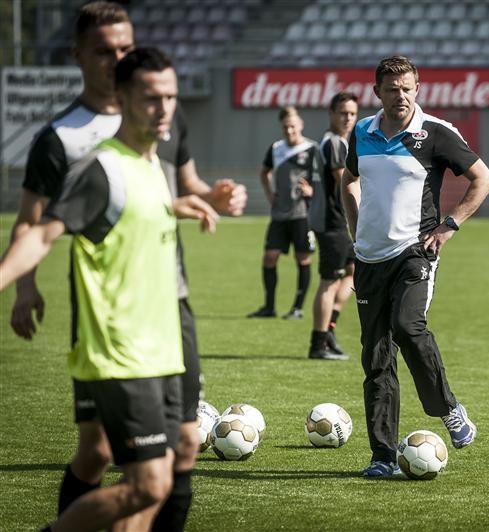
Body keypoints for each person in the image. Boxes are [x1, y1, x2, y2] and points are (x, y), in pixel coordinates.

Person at [8, 3, 246, 529]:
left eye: (125, 48)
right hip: (113, 319)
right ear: (80, 58)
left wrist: (205, 198)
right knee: (109, 460)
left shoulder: (155, 127)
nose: (118, 58)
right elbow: (37, 226)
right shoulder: (73, 145)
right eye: (105, 51)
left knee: (172, 455)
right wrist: (19, 285)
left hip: (167, 308)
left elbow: (169, 190)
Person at [341, 56, 489, 477]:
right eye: (393, 90)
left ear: (418, 88)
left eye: (408, 88)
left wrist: (449, 226)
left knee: (408, 327)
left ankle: (448, 409)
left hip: (414, 252)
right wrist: (357, 231)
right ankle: (382, 456)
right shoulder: (361, 132)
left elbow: (484, 179)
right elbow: (348, 180)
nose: (402, 96)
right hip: (369, 259)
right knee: (376, 360)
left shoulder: (436, 134)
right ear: (378, 93)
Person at [248, 106, 318, 320]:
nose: (289, 131)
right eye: (286, 127)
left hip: (302, 214)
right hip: (279, 214)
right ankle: (269, 307)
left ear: (301, 125)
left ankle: (297, 308)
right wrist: (270, 194)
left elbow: (326, 181)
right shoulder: (276, 148)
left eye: (293, 126)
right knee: (269, 257)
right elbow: (264, 173)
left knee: (302, 258)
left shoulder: (313, 149)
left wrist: (312, 191)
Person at [307, 92, 359, 361]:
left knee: (353, 271)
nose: (348, 118)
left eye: (352, 113)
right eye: (343, 113)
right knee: (329, 281)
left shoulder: (331, 142)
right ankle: (318, 343)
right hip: (334, 222)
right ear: (331, 114)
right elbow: (345, 183)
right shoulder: (335, 144)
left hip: (335, 221)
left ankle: (329, 330)